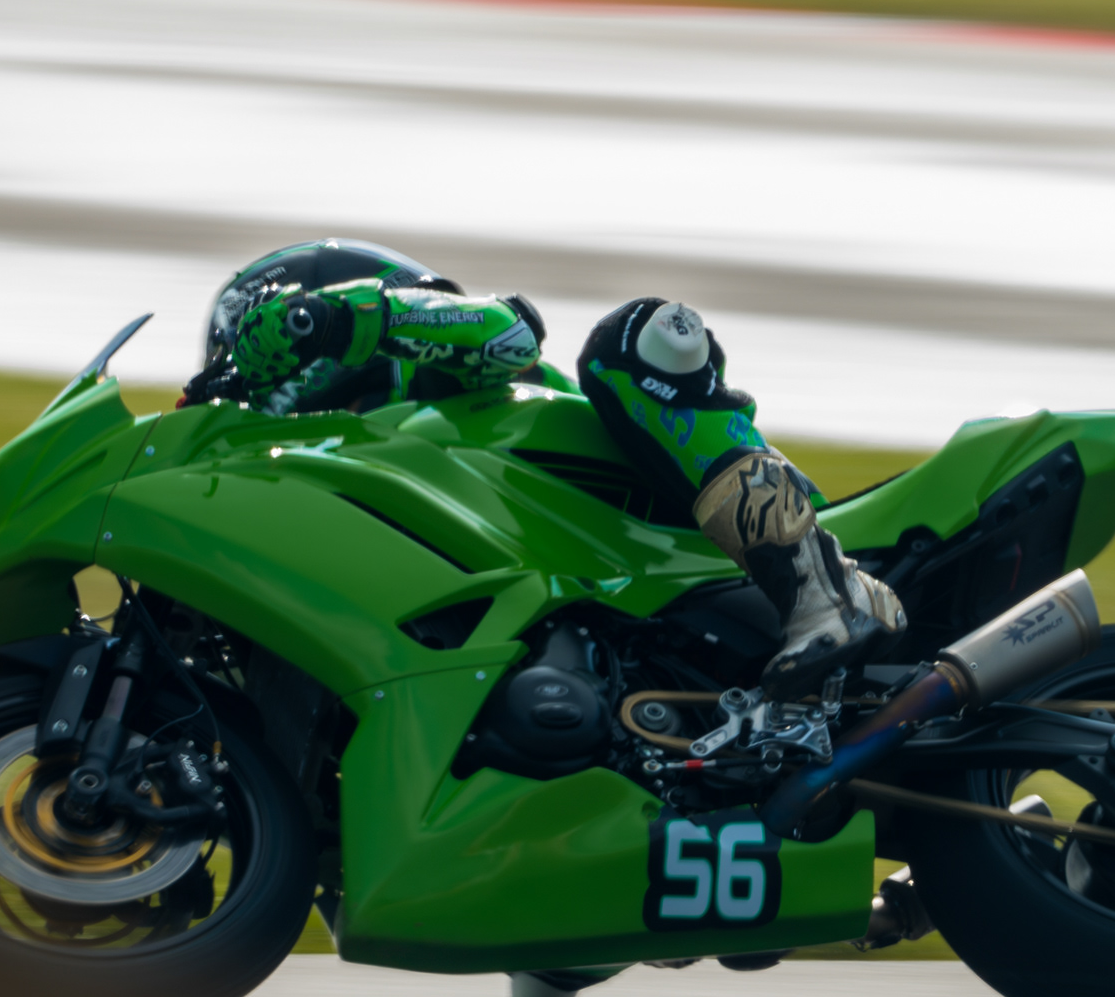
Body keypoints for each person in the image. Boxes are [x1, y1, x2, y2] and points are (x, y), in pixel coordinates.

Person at [182, 239, 903, 687]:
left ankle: (821, 588)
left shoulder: (470, 385)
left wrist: (338, 318)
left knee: (635, 337)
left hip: (722, 554)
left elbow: (511, 329)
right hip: (641, 634)